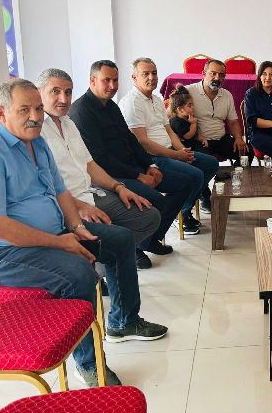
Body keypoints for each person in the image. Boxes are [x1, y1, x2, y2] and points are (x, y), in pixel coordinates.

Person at [0, 79, 168, 387]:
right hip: (0, 253)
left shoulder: (36, 142)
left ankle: (124, 322)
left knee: (119, 240)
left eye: (38, 109)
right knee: (78, 272)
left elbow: (60, 191)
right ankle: (89, 363)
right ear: (1, 113)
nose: (35, 117)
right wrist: (60, 243)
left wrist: (77, 228)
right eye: (24, 110)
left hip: (54, 233)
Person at [69, 60, 197, 270]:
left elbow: (130, 139)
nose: (112, 85)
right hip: (109, 177)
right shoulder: (81, 111)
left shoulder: (111, 105)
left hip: (134, 168)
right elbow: (100, 158)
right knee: (155, 200)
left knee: (185, 183)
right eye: (106, 80)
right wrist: (138, 176)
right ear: (92, 80)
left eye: (115, 80)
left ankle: (149, 240)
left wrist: (150, 166)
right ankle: (135, 247)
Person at [37, 68, 162, 272]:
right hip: (68, 204)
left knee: (149, 217)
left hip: (92, 192)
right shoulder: (36, 131)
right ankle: (105, 264)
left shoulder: (69, 123)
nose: (64, 99)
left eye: (68, 92)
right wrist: (78, 207)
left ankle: (107, 261)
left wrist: (119, 187)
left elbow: (90, 164)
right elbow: (43, 187)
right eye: (55, 91)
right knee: (118, 239)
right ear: (39, 92)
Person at [119, 57, 219, 236]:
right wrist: (176, 156)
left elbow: (169, 131)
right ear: (134, 77)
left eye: (154, 73)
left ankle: (182, 209)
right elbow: (142, 142)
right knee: (195, 175)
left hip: (170, 151)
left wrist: (181, 151)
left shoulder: (157, 99)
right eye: (145, 74)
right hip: (152, 158)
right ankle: (180, 214)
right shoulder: (132, 102)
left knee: (210, 163)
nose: (152, 77)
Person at [186, 58, 248, 165]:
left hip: (221, 139)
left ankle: (235, 174)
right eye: (213, 73)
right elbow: (174, 115)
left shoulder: (227, 95)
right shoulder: (189, 91)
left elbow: (233, 122)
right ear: (204, 73)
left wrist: (238, 138)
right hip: (199, 141)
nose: (217, 78)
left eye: (221, 75)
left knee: (247, 153)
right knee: (208, 162)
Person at [168, 84, 199, 149]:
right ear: (180, 110)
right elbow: (187, 136)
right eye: (190, 105)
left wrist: (200, 137)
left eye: (193, 104)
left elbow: (194, 135)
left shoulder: (187, 117)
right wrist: (193, 124)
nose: (193, 107)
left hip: (193, 145)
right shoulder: (176, 121)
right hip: (186, 149)